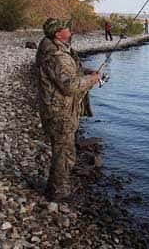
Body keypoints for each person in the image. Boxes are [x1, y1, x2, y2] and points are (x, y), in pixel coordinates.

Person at [36, 18, 100, 201]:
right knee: (64, 153)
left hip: (58, 108)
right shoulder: (56, 56)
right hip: (60, 112)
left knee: (63, 150)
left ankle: (54, 187)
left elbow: (67, 73)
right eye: (67, 29)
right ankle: (58, 193)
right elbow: (69, 86)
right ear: (58, 34)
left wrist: (86, 72)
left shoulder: (53, 48)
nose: (70, 31)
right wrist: (91, 80)